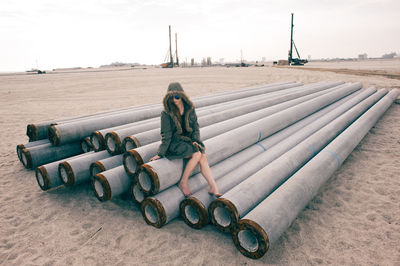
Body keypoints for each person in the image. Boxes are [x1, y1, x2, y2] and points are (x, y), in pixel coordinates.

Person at [150, 82, 221, 197]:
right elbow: (166, 135)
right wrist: (160, 153)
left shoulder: (190, 109)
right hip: (174, 142)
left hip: (187, 141)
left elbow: (195, 128)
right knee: (197, 154)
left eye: (177, 97)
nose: (174, 100)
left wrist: (196, 141)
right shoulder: (166, 113)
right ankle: (183, 182)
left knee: (202, 156)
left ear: (182, 96)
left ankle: (213, 186)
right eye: (171, 97)